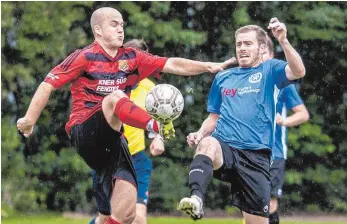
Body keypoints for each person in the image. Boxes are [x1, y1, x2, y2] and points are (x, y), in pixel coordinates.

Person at [16, 7, 235, 224]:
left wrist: (208, 66)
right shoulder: (84, 56)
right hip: (84, 131)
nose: (121, 29)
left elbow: (171, 63)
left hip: (115, 143)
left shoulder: (132, 57)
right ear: (98, 30)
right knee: (115, 97)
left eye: (122, 25)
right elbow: (48, 84)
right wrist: (29, 120)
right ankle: (155, 125)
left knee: (128, 215)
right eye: (114, 24)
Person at [177, 17, 306, 224]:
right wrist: (200, 134)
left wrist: (283, 40)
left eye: (248, 44)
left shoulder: (270, 70)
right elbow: (213, 117)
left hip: (256, 157)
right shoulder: (223, 78)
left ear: (261, 48)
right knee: (208, 144)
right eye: (239, 44)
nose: (242, 48)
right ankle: (196, 198)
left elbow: (299, 71)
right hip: (226, 147)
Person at [89, 39, 165, 224]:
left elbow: (157, 119)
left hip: (136, 160)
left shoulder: (150, 89)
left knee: (138, 219)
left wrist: (157, 138)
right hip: (108, 159)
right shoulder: (106, 85)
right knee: (108, 218)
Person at [264, 36, 310, 224]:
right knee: (248, 201)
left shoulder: (282, 83)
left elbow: (303, 114)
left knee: (269, 201)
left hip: (274, 151)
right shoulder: (245, 82)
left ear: (272, 55)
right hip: (248, 150)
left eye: (264, 53)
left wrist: (283, 121)